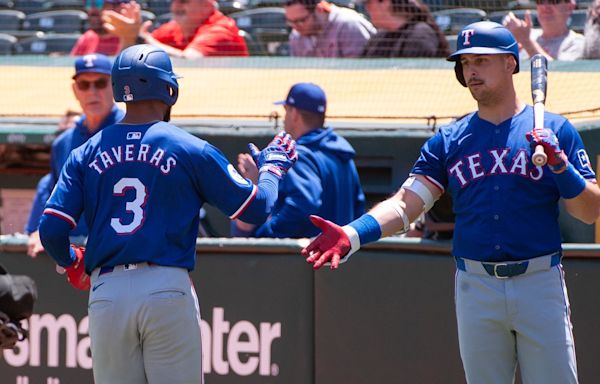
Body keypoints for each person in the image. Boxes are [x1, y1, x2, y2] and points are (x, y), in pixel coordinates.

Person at [302, 21, 600, 383]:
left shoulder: (555, 131)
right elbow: (406, 204)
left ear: (511, 63)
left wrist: (560, 165)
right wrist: (354, 234)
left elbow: (588, 211)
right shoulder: (450, 139)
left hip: (540, 281)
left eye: (481, 60)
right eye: (464, 62)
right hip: (477, 286)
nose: (471, 70)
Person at [38, 44, 297, 384]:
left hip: (107, 291)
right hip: (165, 286)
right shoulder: (189, 147)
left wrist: (71, 261)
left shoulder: (85, 152)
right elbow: (258, 208)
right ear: (169, 89)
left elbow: (51, 229)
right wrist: (272, 171)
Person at [232, 82, 365, 238]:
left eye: (286, 111)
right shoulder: (342, 153)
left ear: (294, 114)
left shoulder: (298, 155)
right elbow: (358, 207)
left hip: (306, 258)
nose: (284, 119)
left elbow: (304, 203)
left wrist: (266, 234)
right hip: (340, 255)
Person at [25, 53, 124, 258]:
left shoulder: (132, 130)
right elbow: (52, 189)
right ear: (75, 90)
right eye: (84, 85)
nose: (92, 92)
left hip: (126, 251)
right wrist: (38, 229)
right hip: (77, 255)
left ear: (115, 86)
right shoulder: (64, 143)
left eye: (100, 83)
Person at [102, 0, 248, 58]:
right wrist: (127, 37)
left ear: (207, 5)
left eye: (184, 1)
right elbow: (137, 56)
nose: (176, 6)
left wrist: (141, 38)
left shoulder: (220, 29)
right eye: (174, 1)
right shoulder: (173, 28)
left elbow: (190, 61)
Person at [285, 0, 376, 57]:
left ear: (319, 10)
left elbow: (358, 69)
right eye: (290, 21)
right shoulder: (297, 36)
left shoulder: (348, 25)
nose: (295, 26)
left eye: (301, 20)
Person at [361, 0, 450, 57]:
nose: (366, 8)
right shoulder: (378, 38)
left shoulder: (420, 36)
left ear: (385, 2)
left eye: (368, 2)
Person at [503, 0, 584, 60]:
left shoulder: (578, 43)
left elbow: (558, 75)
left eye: (553, 1)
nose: (544, 7)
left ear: (570, 7)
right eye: (540, 1)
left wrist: (526, 42)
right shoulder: (525, 34)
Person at [71, 0, 138, 56]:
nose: (92, 10)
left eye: (99, 3)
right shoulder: (87, 37)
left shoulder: (140, 40)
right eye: (89, 3)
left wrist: (128, 40)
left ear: (121, 8)